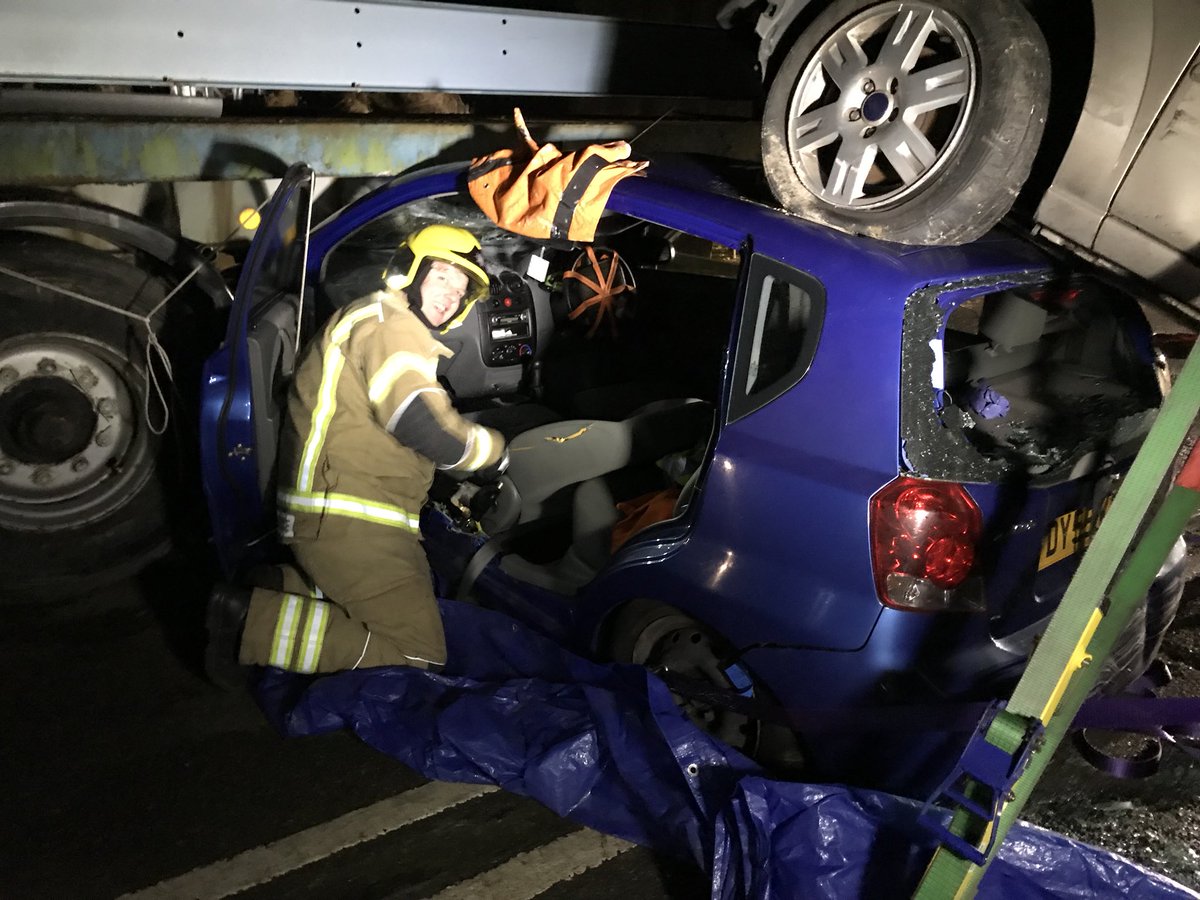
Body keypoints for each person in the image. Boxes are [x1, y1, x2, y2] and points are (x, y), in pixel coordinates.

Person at [205, 224, 508, 685]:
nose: (451, 294)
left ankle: (282, 589)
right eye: (443, 275)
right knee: (419, 651)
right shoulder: (391, 327)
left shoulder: (380, 320)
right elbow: (418, 423)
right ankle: (251, 621)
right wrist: (493, 453)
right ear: (410, 270)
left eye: (461, 287)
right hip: (351, 519)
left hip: (343, 510)